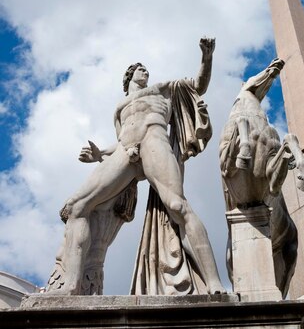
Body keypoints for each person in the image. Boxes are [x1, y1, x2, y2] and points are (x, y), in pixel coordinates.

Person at [47, 38, 223, 295]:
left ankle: (215, 283)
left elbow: (199, 85)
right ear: (130, 76)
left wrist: (206, 57)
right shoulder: (119, 108)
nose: (146, 72)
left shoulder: (163, 89)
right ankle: (71, 286)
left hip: (154, 140)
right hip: (124, 152)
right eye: (141, 69)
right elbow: (119, 140)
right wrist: (99, 154)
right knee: (76, 206)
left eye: (147, 70)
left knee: (177, 206)